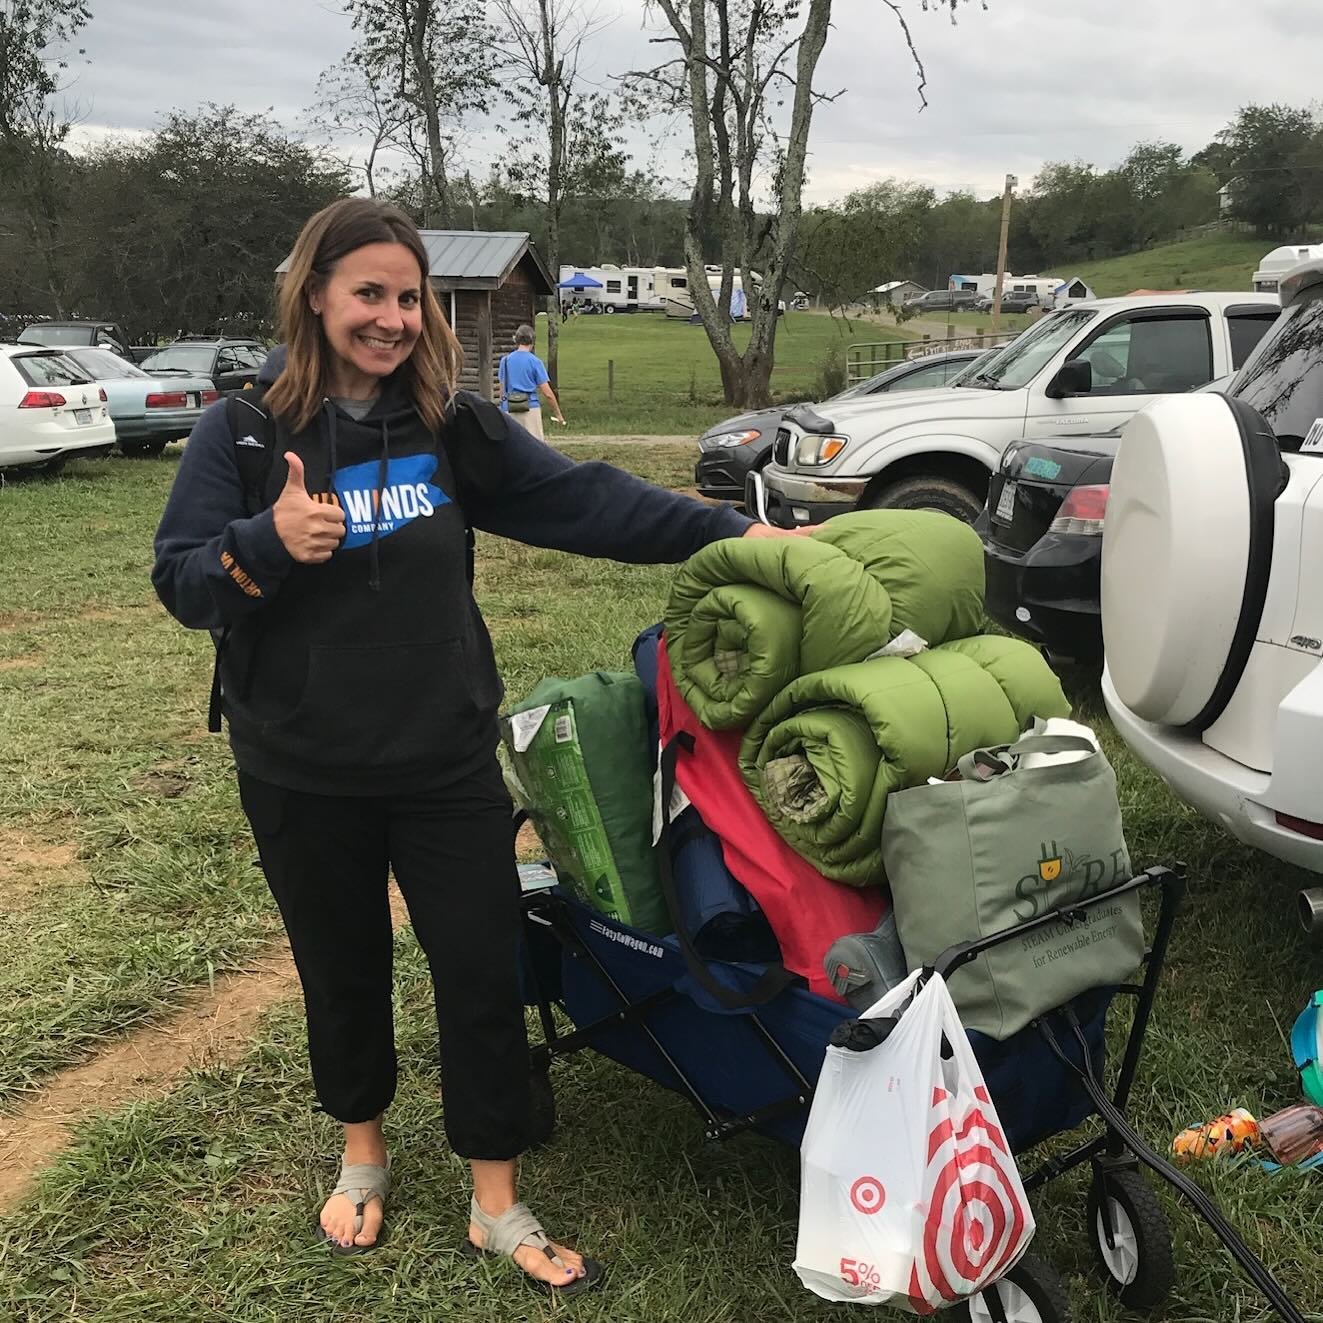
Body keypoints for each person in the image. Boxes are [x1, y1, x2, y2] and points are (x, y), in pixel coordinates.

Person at [151, 197, 805, 1296]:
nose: (394, 318)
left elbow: (587, 502)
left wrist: (736, 531)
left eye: (408, 298)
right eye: (370, 293)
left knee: (480, 971)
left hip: (442, 759)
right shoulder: (245, 432)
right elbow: (181, 578)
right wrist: (267, 541)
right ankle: (363, 1154)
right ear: (316, 294)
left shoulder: (449, 427)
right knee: (341, 965)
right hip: (300, 766)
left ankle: (494, 1197)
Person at [498, 323, 563, 439]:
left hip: (509, 408)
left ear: (516, 340)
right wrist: (558, 413)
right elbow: (547, 393)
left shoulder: (505, 361)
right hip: (530, 408)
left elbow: (502, 389)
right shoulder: (535, 362)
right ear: (532, 341)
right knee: (535, 447)